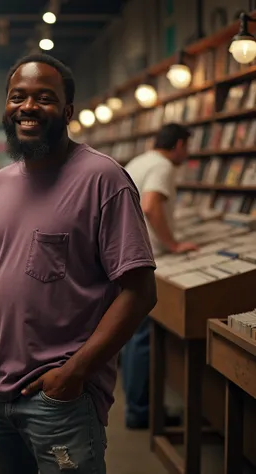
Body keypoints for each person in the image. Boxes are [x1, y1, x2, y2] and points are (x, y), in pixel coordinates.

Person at [0, 53, 157, 474]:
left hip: (60, 398)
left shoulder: (104, 180)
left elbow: (140, 292)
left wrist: (74, 372)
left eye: (44, 98)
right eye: (18, 97)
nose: (28, 107)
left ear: (68, 111)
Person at [121, 123, 198, 430]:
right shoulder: (163, 165)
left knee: (132, 335)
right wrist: (174, 244)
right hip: (145, 260)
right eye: (187, 147)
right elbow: (150, 207)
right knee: (141, 337)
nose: (188, 153)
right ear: (178, 145)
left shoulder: (140, 160)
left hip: (126, 257)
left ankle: (136, 405)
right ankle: (139, 411)